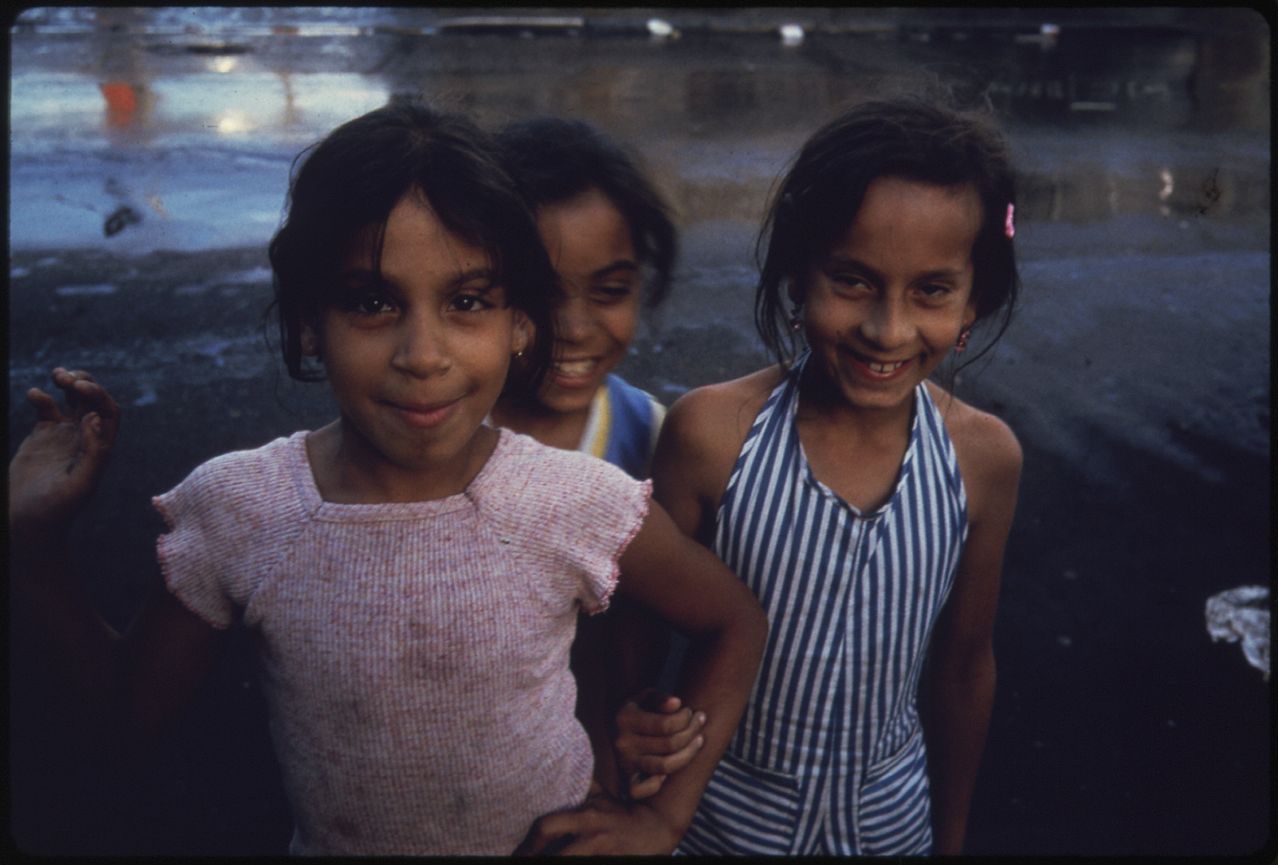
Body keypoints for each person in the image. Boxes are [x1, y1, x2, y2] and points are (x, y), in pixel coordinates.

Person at [7, 101, 767, 857]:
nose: (423, 353)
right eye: (373, 302)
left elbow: (733, 619)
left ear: (519, 325)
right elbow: (122, 718)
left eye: (467, 302)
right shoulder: (242, 509)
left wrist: (663, 819)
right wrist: (36, 549)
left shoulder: (575, 500)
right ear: (308, 320)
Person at [609, 98, 1024, 855]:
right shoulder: (711, 435)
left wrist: (951, 837)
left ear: (973, 301)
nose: (888, 329)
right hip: (714, 817)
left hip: (892, 821)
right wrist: (625, 726)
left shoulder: (984, 459)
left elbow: (965, 666)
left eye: (931, 289)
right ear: (799, 278)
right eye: (854, 281)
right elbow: (636, 633)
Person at [489, 117, 696, 799]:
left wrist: (650, 718)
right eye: (541, 295)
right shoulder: (436, 429)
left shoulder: (651, 437)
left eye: (609, 290)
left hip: (597, 784)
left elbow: (658, 626)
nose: (575, 328)